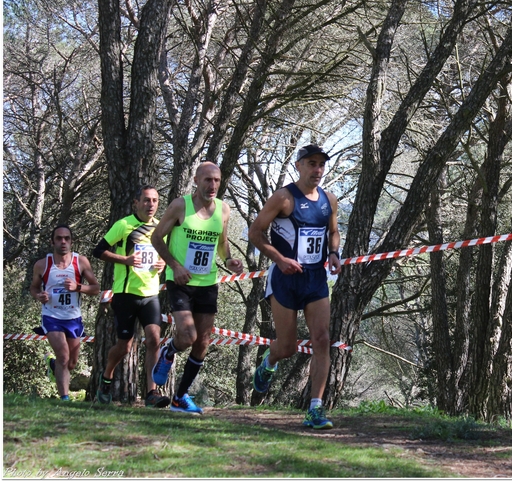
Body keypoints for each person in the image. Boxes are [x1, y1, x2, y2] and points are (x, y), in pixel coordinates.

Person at [248, 144, 341, 430]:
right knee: (287, 347)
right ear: (299, 166)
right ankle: (269, 362)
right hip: (285, 279)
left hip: (314, 279)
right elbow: (255, 232)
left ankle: (315, 408)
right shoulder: (284, 198)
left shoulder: (329, 200)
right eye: (311, 164)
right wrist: (279, 258)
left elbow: (333, 232)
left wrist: (334, 254)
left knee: (322, 339)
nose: (317, 170)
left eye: (321, 165)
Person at [150, 162, 243, 414]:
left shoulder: (224, 209)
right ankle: (169, 350)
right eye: (207, 180)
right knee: (188, 336)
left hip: (207, 282)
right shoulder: (181, 206)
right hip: (180, 281)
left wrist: (228, 260)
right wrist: (174, 266)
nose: (212, 185)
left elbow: (221, 242)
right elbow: (156, 238)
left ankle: (180, 397)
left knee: (202, 342)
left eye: (216, 180)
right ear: (196, 180)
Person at [92, 185, 170, 408]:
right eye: (146, 200)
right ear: (136, 203)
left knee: (154, 339)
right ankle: (106, 378)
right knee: (124, 346)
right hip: (126, 293)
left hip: (151, 293)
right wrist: (124, 260)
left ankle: (152, 393)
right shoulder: (124, 225)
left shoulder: (161, 227)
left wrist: (163, 262)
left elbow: (167, 254)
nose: (151, 205)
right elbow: (99, 251)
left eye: (155, 200)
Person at [30, 225, 100, 400]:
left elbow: (96, 288)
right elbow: (34, 288)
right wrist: (40, 295)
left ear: (71, 241)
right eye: (59, 238)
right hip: (51, 316)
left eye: (66, 238)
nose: (63, 242)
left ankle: (53, 365)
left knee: (71, 362)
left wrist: (78, 287)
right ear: (52, 241)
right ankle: (65, 399)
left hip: (73, 317)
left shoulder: (81, 262)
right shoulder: (42, 264)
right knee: (63, 355)